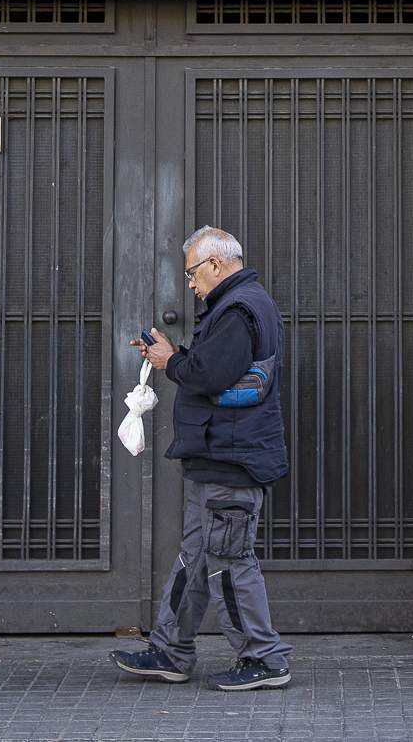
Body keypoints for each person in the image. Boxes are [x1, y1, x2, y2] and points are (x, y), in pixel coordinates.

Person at [112, 226, 293, 691]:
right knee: (197, 556)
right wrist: (172, 356)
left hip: (232, 457)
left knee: (229, 560)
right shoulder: (243, 304)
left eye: (192, 273)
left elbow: (210, 375)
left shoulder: (239, 308)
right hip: (220, 454)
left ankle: (263, 658)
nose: (190, 284)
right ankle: (170, 651)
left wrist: (172, 360)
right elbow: (218, 368)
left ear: (215, 264)